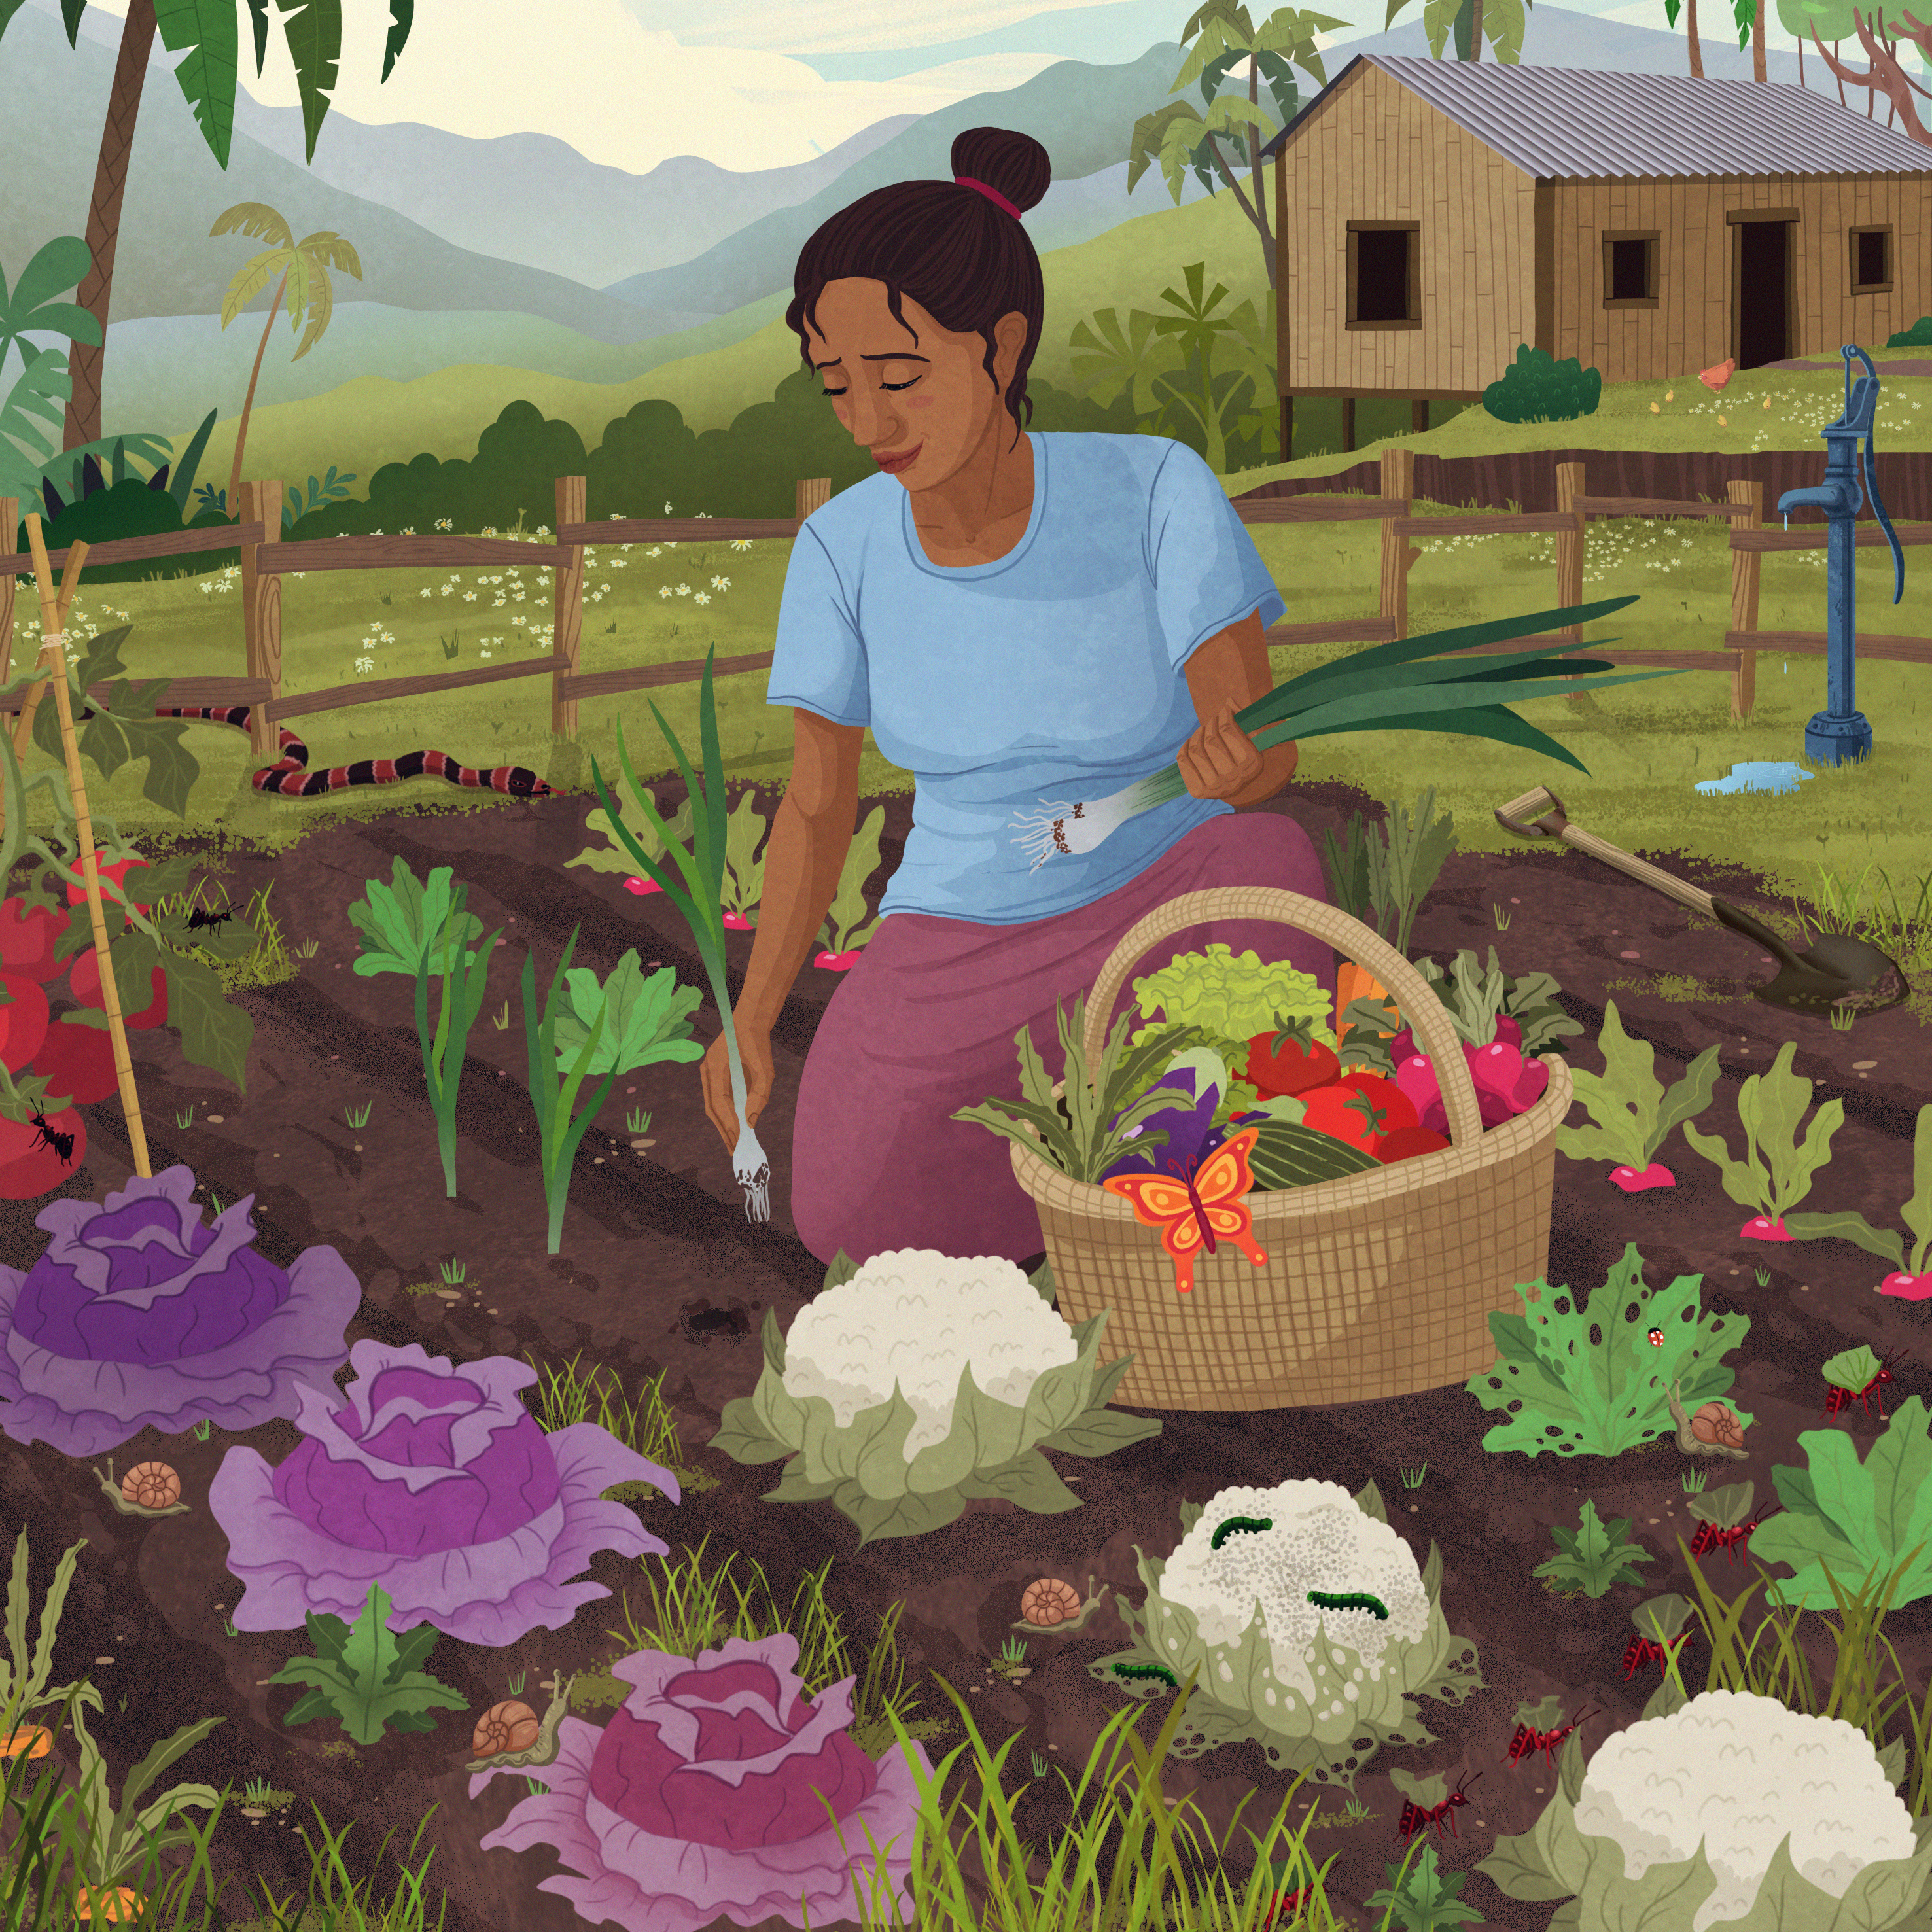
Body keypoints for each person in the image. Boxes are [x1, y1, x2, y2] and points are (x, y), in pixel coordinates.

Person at [698, 124, 1333, 1267]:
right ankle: (1094, 1194)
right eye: (833, 383)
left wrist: (1240, 764)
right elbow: (813, 805)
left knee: (1271, 871)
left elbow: (1260, 750)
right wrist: (749, 1019)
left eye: (899, 377)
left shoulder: (1151, 489)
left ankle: (1153, 1202)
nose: (866, 421)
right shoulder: (841, 550)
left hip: (1165, 897)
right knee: (846, 1218)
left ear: (1001, 344)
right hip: (956, 934)